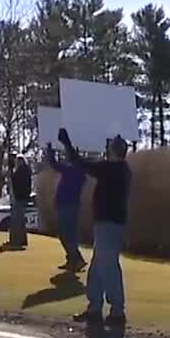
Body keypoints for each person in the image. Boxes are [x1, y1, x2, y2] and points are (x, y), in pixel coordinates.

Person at [59, 129, 131, 326]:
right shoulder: (122, 169)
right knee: (98, 268)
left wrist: (67, 144)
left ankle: (117, 312)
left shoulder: (112, 169)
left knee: (108, 268)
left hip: (108, 224)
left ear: (113, 150)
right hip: (111, 223)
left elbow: (81, 164)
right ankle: (95, 308)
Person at [46, 142, 88, 271]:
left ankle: (77, 259)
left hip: (66, 205)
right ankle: (72, 260)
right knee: (70, 234)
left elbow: (54, 163)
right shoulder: (80, 171)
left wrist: (50, 150)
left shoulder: (71, 169)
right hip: (72, 205)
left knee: (65, 234)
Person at [7, 154, 32, 250]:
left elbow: (15, 182)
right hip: (23, 197)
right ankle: (22, 240)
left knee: (16, 220)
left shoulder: (22, 171)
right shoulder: (26, 170)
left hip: (19, 197)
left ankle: (15, 241)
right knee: (20, 220)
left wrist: (12, 172)